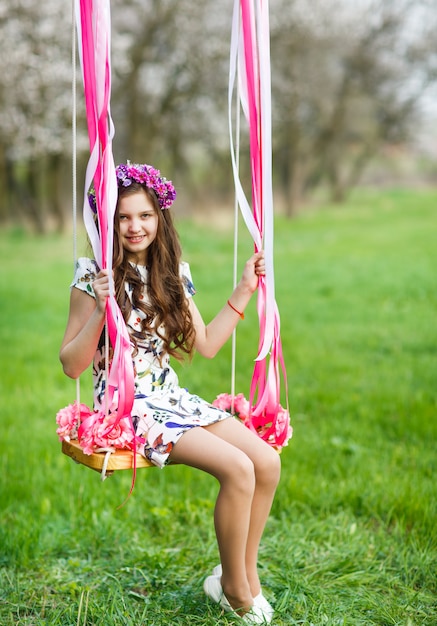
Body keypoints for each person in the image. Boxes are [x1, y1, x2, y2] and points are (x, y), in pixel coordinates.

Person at [59, 162, 281, 624]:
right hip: (127, 407)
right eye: (123, 217)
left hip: (171, 399)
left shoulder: (171, 272)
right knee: (238, 469)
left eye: (144, 215)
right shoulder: (92, 274)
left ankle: (239, 576)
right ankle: (237, 593)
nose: (134, 226)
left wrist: (243, 290)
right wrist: (102, 308)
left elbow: (206, 344)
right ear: (107, 222)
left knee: (266, 462)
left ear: (160, 218)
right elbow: (70, 364)